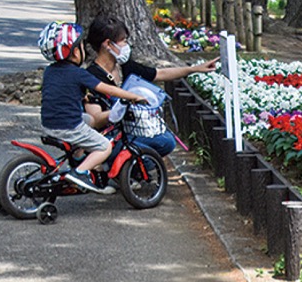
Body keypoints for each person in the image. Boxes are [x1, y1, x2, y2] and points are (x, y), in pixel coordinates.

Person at [83, 14, 219, 157]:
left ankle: (130, 170)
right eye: (123, 41)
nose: (126, 46)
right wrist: (119, 109)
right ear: (108, 44)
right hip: (108, 137)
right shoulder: (91, 76)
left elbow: (159, 74)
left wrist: (194, 69)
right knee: (143, 150)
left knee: (166, 141)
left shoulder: (124, 66)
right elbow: (95, 119)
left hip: (131, 130)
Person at [38, 22, 148, 194]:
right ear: (75, 52)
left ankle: (78, 155)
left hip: (48, 123)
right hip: (68, 127)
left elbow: (60, 92)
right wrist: (133, 96)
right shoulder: (79, 73)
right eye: (81, 46)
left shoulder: (50, 71)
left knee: (89, 120)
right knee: (105, 146)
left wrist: (83, 96)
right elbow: (107, 88)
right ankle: (80, 173)